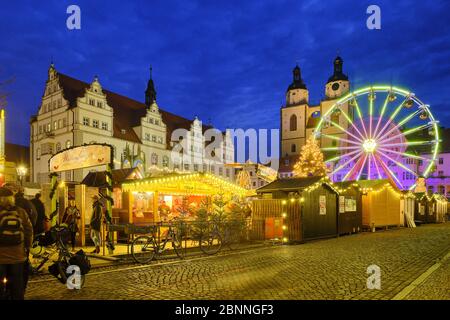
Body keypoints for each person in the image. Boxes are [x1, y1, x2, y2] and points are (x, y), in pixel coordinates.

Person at [0, 187, 33, 300]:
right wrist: (27, 247)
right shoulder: (20, 212)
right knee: (17, 287)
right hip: (17, 256)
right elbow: (29, 231)